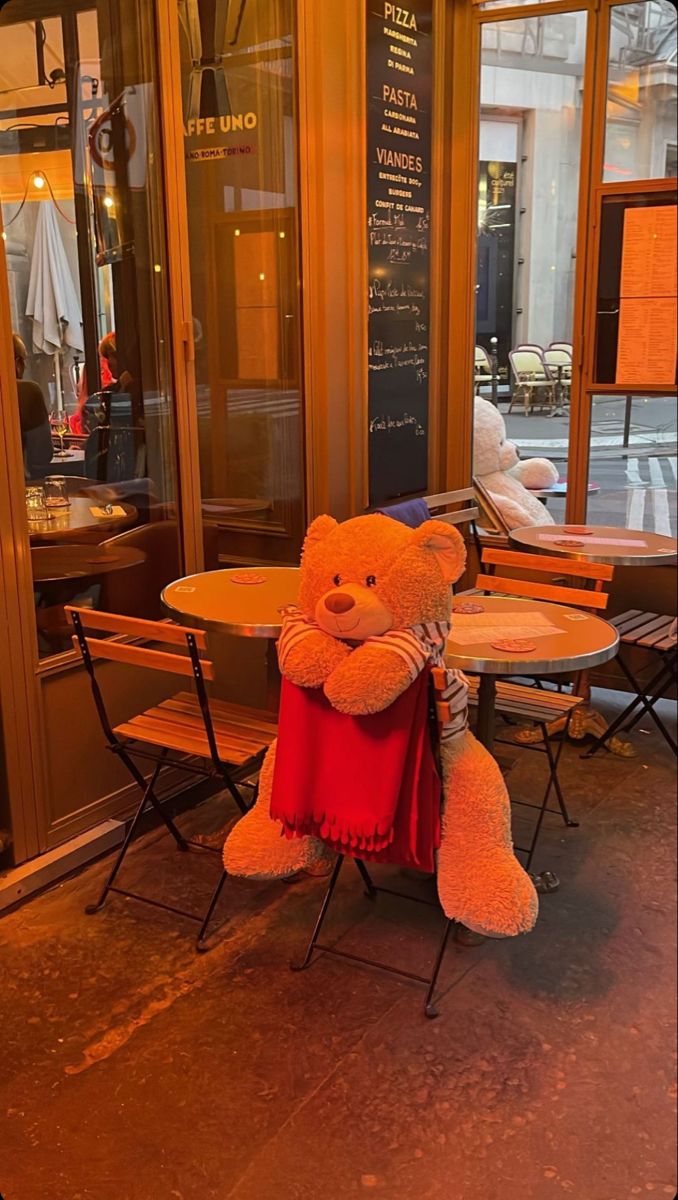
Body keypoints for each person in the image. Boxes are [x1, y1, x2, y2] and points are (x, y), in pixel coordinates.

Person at [13, 333, 53, 479]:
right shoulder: (27, 392)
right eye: (24, 360)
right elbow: (41, 456)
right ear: (17, 362)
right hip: (16, 488)